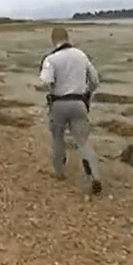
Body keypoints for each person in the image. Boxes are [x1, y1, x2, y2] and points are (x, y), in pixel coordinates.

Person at [39, 27, 102, 195]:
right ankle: (95, 175)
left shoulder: (51, 59)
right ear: (68, 38)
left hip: (58, 103)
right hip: (79, 103)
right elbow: (95, 80)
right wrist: (87, 93)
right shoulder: (81, 55)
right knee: (83, 141)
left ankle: (59, 172)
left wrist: (55, 86)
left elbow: (45, 81)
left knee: (57, 139)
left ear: (53, 40)